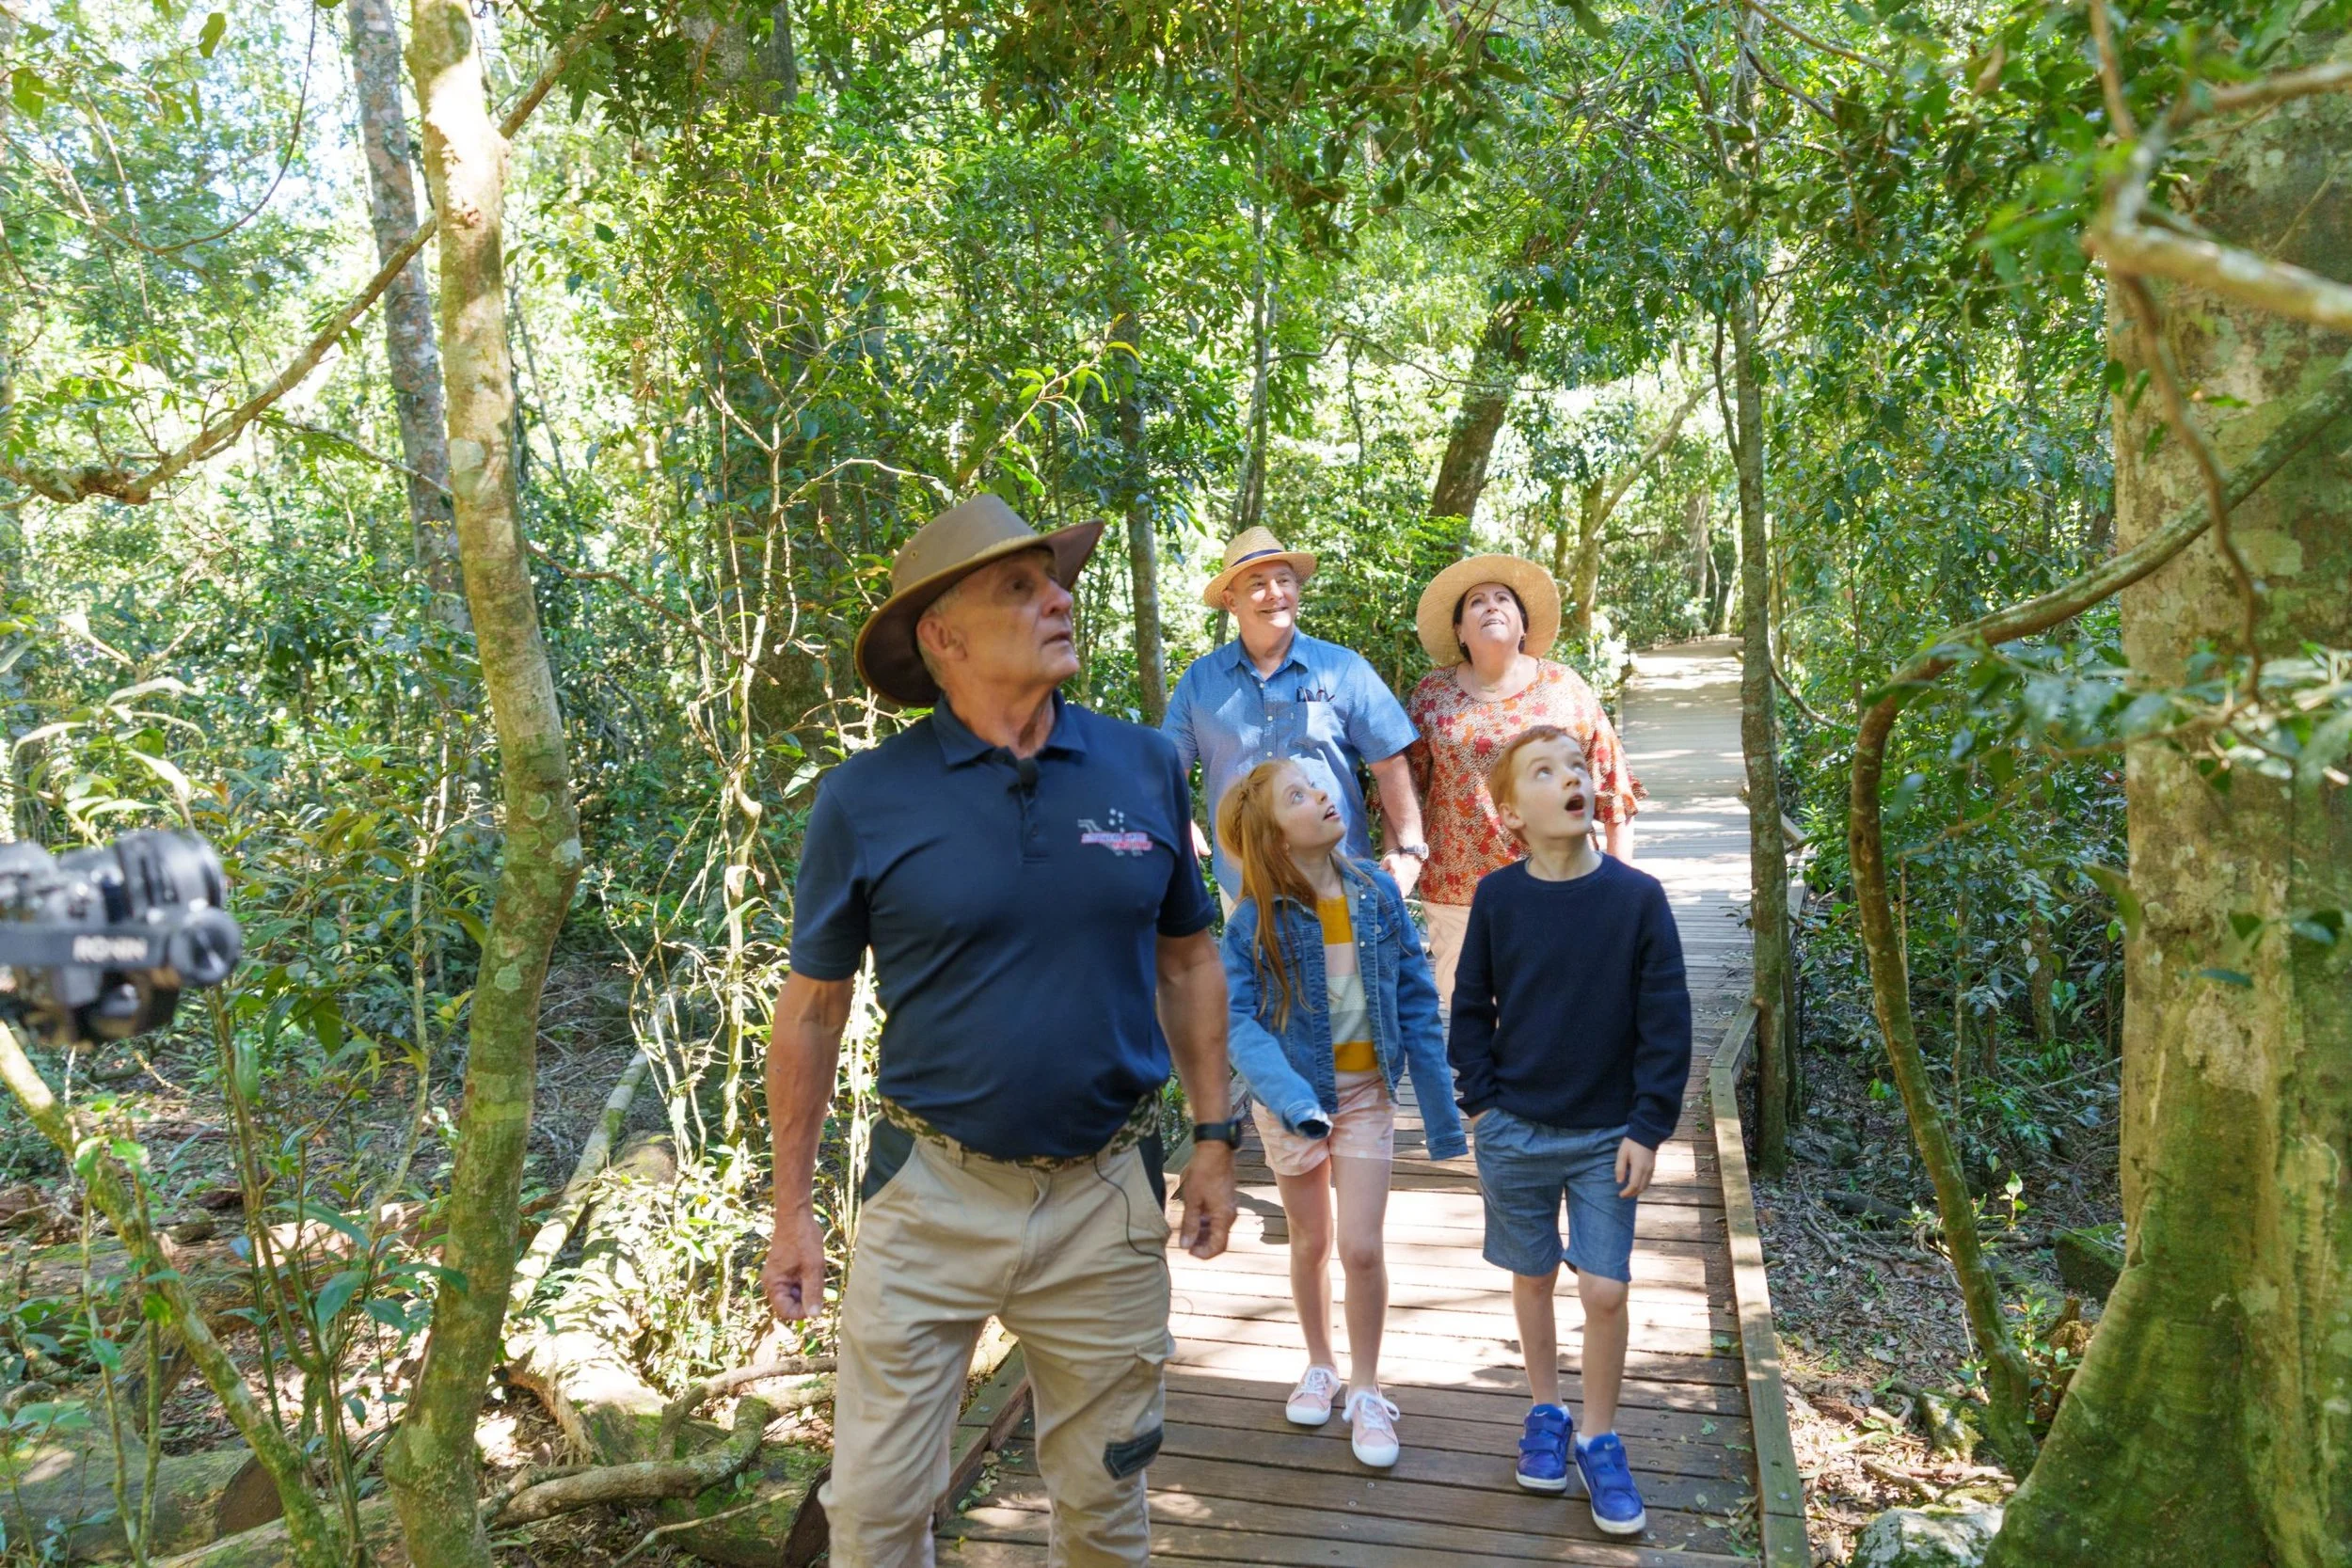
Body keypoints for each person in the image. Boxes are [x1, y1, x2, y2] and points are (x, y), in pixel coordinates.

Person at [761, 494, 1244, 1568]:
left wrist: (1217, 1138)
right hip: (928, 1198)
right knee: (876, 1512)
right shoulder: (865, 797)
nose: (1057, 599)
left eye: (1055, 579)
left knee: (1105, 1504)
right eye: (1018, 587)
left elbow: (1188, 957)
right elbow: (813, 1007)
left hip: (1106, 1196)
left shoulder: (1143, 764)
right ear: (943, 636)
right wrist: (791, 1209)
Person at [1447, 725, 1692, 1537]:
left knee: (1605, 1286)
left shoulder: (1636, 898)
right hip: (1514, 1125)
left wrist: (1649, 1126)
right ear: (1512, 811)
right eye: (1544, 773)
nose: (1570, 780)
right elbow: (1470, 1004)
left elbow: (1667, 1022)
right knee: (1532, 1273)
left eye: (1578, 767)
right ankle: (1547, 1414)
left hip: (1606, 1132)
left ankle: (1600, 1434)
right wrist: (1480, 1102)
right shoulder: (1498, 897)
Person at [1214, 759, 1466, 1470]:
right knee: (1309, 1242)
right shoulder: (1252, 921)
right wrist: (1290, 1098)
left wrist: (1442, 1110)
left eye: (1318, 785)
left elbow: (1416, 996)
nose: (1322, 795)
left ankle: (1365, 1386)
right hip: (1292, 1102)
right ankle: (1320, 1362)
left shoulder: (1379, 893)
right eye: (1299, 794)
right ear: (1272, 836)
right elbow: (1235, 1022)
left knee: (1361, 1247)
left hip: (1365, 1097)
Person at [1403, 555, 1639, 1014]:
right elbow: (1404, 789)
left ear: (1523, 625)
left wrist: (1618, 888)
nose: (1491, 606)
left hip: (1556, 883)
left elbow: (1612, 787)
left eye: (1502, 598)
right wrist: (1404, 859)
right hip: (1457, 893)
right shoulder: (1432, 695)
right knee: (1473, 1020)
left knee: (1553, 1019)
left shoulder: (1564, 687)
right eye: (1476, 601)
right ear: (1459, 630)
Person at [1164, 527, 1428, 910]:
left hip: (1337, 876)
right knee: (1253, 971)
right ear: (1230, 601)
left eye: (1284, 580)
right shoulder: (1200, 681)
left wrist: (1409, 850)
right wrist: (1177, 819)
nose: (1275, 593)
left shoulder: (1344, 669)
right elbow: (1168, 766)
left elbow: (1390, 765)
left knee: (1342, 973)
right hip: (1244, 883)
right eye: (1257, 584)